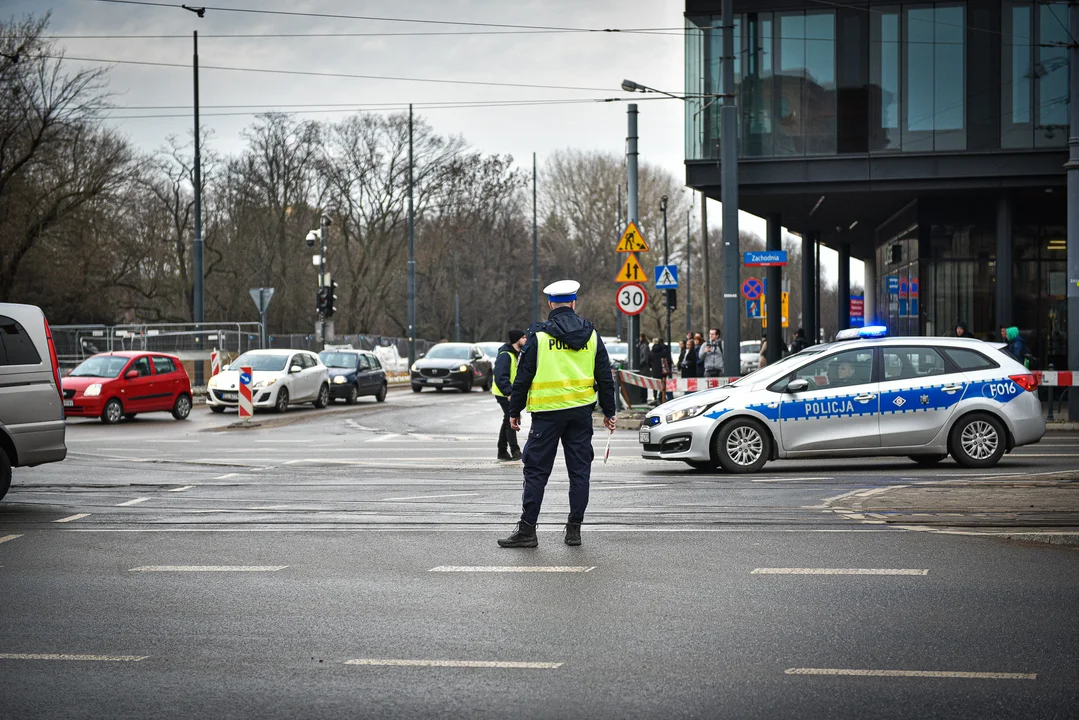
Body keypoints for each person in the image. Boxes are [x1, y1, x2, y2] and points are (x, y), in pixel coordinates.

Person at [499, 280, 617, 549]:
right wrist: (609, 412)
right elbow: (606, 379)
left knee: (537, 472)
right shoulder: (592, 335)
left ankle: (528, 530)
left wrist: (514, 411)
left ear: (550, 304)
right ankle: (574, 530)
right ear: (574, 303)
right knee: (579, 472)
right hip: (580, 415)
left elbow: (523, 378)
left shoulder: (538, 337)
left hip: (547, 416)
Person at [491, 329, 527, 461]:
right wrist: (508, 393)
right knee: (511, 418)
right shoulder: (506, 355)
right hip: (504, 393)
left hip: (509, 392)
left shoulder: (515, 354)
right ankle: (515, 450)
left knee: (507, 420)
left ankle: (502, 450)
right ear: (517, 340)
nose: (526, 340)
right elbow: (501, 376)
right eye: (523, 337)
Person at [650, 337, 669, 404]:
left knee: (655, 384)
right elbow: (668, 359)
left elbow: (648, 360)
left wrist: (651, 365)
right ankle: (661, 397)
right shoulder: (663, 351)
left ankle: (655, 397)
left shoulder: (652, 351)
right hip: (662, 370)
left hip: (655, 369)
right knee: (662, 384)